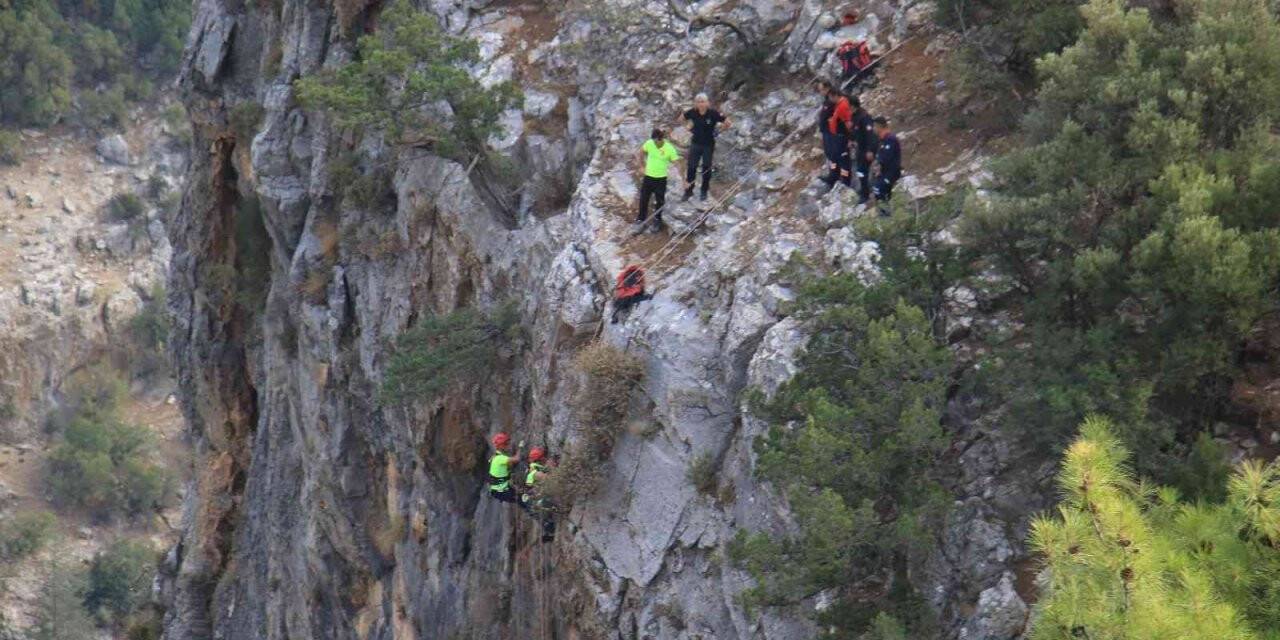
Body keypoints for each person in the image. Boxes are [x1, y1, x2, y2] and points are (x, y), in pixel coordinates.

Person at [678, 93, 731, 203]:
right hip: (695, 144)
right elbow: (681, 119)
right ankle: (689, 191)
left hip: (708, 144)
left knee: (706, 169)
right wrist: (688, 127)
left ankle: (704, 190)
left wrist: (719, 130)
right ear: (696, 104)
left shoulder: (713, 113)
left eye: (703, 102)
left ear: (707, 103)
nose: (701, 104)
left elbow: (728, 122)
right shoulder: (693, 112)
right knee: (691, 168)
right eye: (699, 102)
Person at [637, 128, 679, 230]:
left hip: (661, 179)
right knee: (643, 199)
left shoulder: (669, 148)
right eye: (654, 140)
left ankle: (657, 220)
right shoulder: (649, 143)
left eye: (656, 141)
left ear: (661, 139)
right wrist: (641, 166)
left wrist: (682, 178)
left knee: (659, 201)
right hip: (648, 177)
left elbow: (677, 162)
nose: (654, 143)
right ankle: (640, 219)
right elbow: (641, 152)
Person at [817, 82, 854, 191]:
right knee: (832, 157)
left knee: (843, 160)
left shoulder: (839, 104)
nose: (821, 93)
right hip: (830, 134)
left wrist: (850, 138)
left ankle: (846, 181)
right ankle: (833, 176)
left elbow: (847, 122)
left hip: (839, 136)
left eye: (822, 90)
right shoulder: (829, 100)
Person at [521, 446, 556, 542]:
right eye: (544, 457)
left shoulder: (532, 470)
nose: (546, 458)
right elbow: (553, 480)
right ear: (541, 459)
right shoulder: (536, 473)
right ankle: (549, 530)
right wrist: (552, 466)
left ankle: (548, 529)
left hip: (532, 503)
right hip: (536, 504)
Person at [850, 95, 877, 204]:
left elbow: (871, 134)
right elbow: (855, 131)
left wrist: (870, 150)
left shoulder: (864, 117)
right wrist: (851, 140)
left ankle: (865, 194)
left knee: (862, 170)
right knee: (860, 171)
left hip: (867, 148)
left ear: (852, 106)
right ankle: (864, 190)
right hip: (860, 147)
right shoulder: (855, 116)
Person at [873, 116, 902, 216]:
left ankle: (886, 215)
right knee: (877, 188)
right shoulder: (882, 140)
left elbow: (887, 157)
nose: (873, 129)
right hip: (884, 172)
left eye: (874, 127)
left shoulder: (890, 139)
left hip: (891, 172)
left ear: (879, 127)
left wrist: (879, 165)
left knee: (879, 189)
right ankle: (883, 212)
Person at [488, 432, 522, 504]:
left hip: (500, 489)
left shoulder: (495, 457)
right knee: (522, 500)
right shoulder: (500, 458)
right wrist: (520, 448)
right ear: (501, 446)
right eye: (506, 444)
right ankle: (534, 512)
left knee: (521, 498)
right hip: (501, 491)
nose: (508, 446)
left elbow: (509, 466)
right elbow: (517, 459)